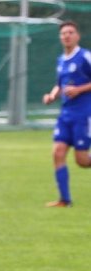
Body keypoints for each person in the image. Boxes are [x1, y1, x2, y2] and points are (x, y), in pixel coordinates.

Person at [42, 21, 91, 207]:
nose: (67, 36)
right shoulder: (61, 60)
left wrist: (79, 89)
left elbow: (78, 87)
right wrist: (52, 95)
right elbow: (60, 84)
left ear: (77, 35)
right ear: (60, 37)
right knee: (58, 152)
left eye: (70, 32)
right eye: (63, 33)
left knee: (82, 160)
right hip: (66, 114)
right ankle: (65, 200)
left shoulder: (85, 56)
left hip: (84, 114)